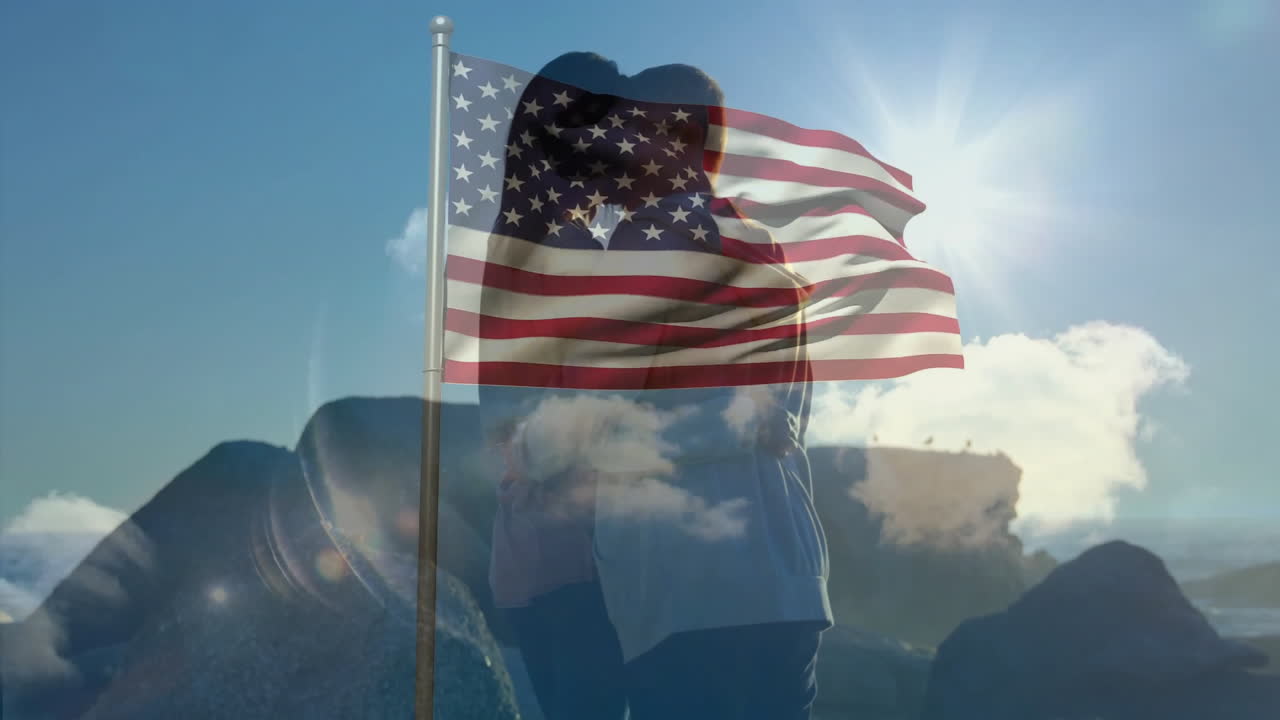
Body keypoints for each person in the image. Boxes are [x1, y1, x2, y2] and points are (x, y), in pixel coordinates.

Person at [480, 52, 832, 720]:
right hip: (786, 580)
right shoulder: (766, 249)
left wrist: (534, 454)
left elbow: (593, 425)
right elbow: (786, 422)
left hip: (682, 588)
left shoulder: (640, 250)